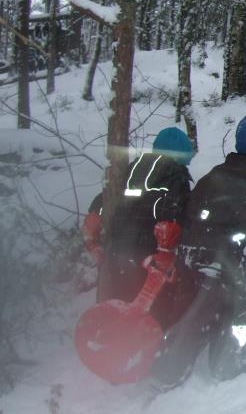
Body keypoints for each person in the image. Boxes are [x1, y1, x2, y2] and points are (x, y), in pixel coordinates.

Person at [152, 113, 246, 386]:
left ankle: (168, 369)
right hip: (220, 259)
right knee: (243, 307)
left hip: (189, 254)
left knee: (200, 311)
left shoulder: (217, 173)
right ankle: (224, 363)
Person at [82, 126, 194, 328]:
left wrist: (94, 227)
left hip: (116, 253)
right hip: (149, 260)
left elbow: (105, 200)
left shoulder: (133, 170)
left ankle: (107, 349)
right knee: (151, 317)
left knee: (114, 311)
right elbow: (174, 215)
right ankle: (156, 351)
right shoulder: (176, 176)